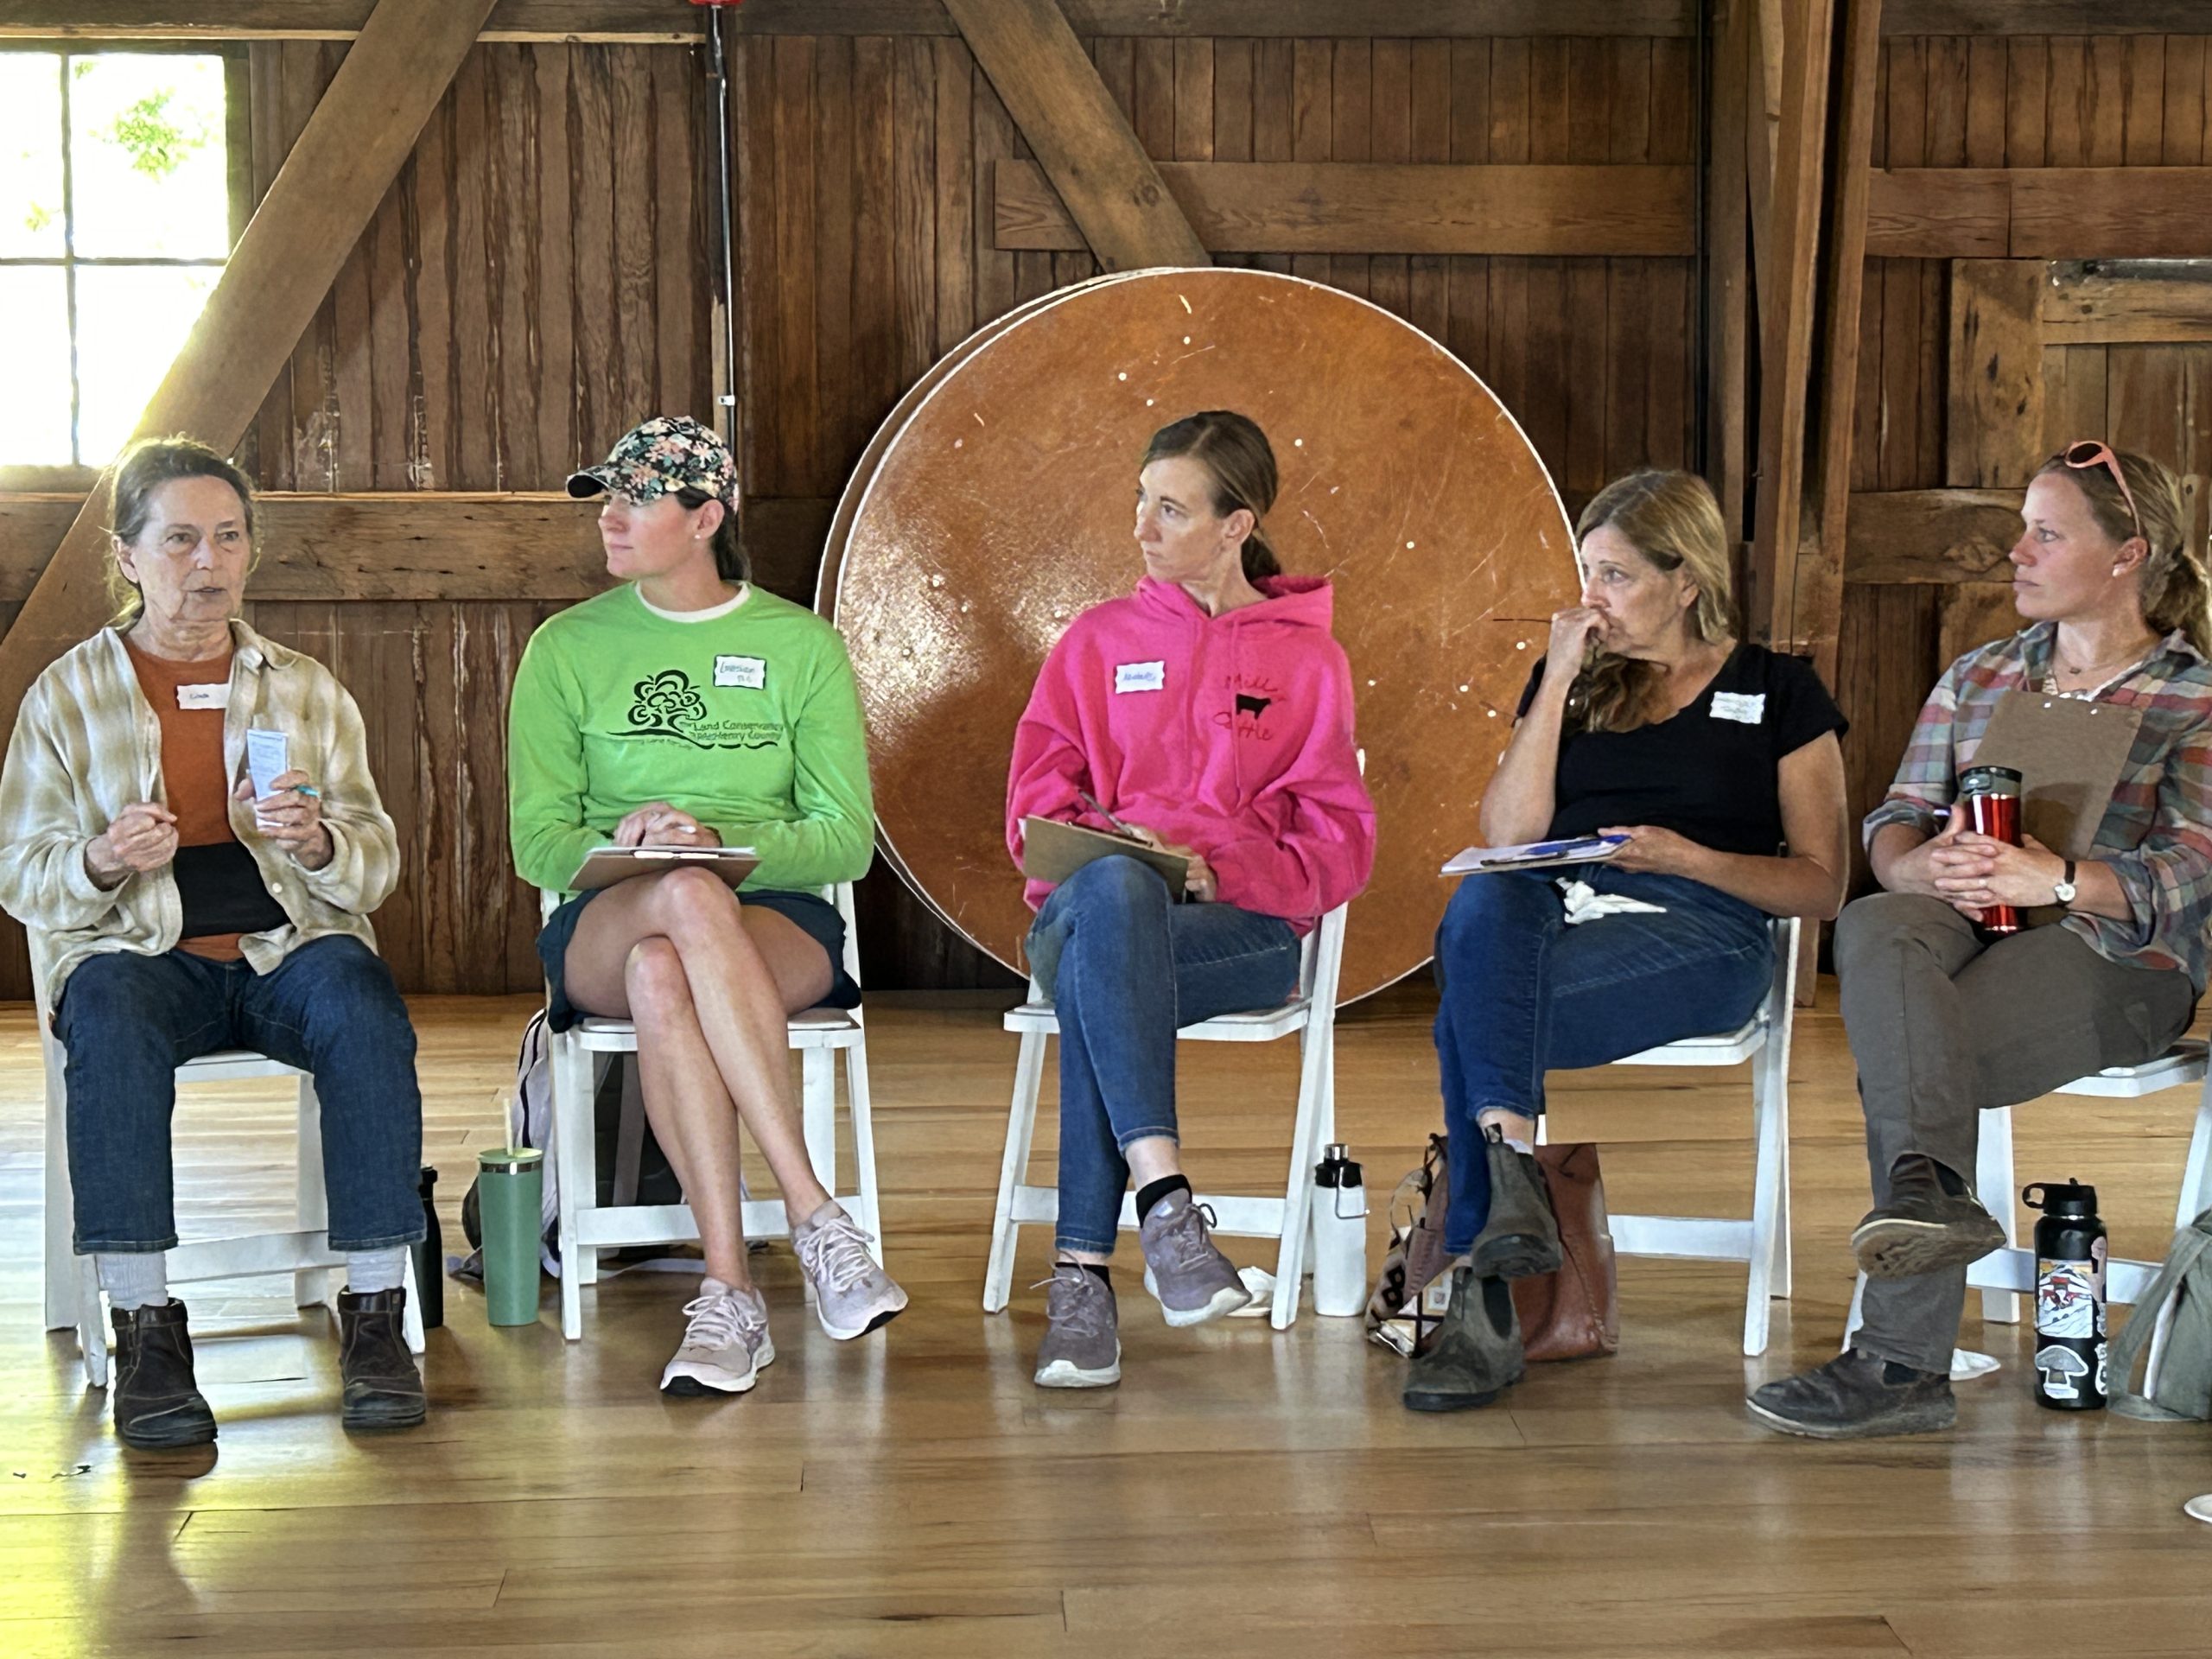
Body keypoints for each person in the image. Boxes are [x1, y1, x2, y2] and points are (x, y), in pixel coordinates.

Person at [1751, 442, 2212, 1440]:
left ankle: (1900, 1359)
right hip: (1960, 925)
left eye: (2046, 533)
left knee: (1914, 1053)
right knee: (1875, 921)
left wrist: (2051, 875)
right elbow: (1897, 815)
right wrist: (1918, 865)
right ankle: (1924, 1222)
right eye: (2022, 529)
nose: (2016, 551)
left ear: (2127, 555)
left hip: (2119, 958)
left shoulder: (2193, 697)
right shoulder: (1980, 674)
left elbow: (2193, 869)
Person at [0, 437, 428, 1448]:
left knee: (363, 1001)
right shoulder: (66, 695)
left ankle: (375, 1315)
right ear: (130, 556)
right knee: (101, 1011)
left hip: (288, 946)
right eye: (182, 539)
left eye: (228, 538)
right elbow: (22, 873)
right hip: (141, 959)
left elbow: (374, 863)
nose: (208, 563)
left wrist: (319, 838)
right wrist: (102, 860)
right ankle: (147, 1328)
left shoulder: (305, 689)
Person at [1408, 467, 1850, 1414]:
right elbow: (1508, 837)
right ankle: (1505, 1221)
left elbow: (1821, 882)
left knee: (1471, 1017)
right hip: (1551, 908)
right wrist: (1557, 678)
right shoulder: (1574, 682)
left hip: (1703, 926)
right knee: (1486, 901)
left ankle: (1487, 1287)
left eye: (1614, 575)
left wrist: (1689, 859)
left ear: (1684, 581)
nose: (1590, 598)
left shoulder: (1779, 691)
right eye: (1586, 572)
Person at [509, 415, 905, 1398]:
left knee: (669, 959)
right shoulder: (564, 649)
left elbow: (846, 838)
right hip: (607, 914)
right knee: (672, 903)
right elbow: (539, 845)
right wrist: (633, 845)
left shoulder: (797, 645)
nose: (611, 517)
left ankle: (728, 1291)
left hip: (771, 917)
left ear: (705, 517)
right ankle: (815, 1215)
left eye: (636, 498)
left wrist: (731, 849)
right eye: (606, 497)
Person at [1004, 409, 1376, 1389]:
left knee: (1102, 966)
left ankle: (1085, 1280)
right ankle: (1165, 1208)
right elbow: (1034, 806)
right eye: (1141, 501)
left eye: (1169, 509)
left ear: (1236, 525)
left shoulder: (1309, 663)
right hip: (1091, 909)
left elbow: (1339, 843)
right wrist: (1125, 847)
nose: (1142, 526)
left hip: (1240, 933)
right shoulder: (1094, 642)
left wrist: (1221, 869)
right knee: (1113, 899)